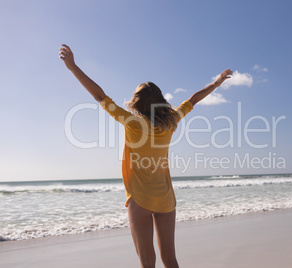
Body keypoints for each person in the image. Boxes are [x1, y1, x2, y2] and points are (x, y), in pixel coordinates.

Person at [59, 44, 232, 268]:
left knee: (147, 262)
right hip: (166, 198)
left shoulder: (133, 122)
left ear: (137, 101)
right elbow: (193, 100)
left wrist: (73, 67)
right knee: (170, 259)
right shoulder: (171, 121)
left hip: (140, 199)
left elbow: (99, 95)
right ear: (160, 99)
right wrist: (216, 84)